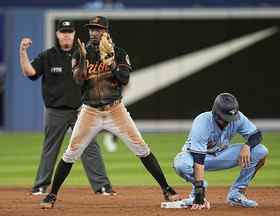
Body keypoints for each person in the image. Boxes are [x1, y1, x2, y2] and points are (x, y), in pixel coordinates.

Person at [40, 16, 179, 209]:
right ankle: (52, 194)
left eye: (98, 29)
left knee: (141, 148)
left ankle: (166, 188)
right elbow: (79, 81)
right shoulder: (81, 52)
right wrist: (81, 62)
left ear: (106, 31)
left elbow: (124, 79)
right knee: (71, 153)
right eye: (91, 29)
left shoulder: (119, 52)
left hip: (115, 110)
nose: (93, 32)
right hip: (90, 111)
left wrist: (111, 62)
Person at [19, 20, 115, 196]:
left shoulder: (82, 54)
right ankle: (40, 186)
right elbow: (30, 73)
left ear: (73, 35)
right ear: (57, 35)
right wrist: (23, 51)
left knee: (90, 147)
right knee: (50, 148)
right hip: (55, 111)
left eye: (69, 32)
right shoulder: (48, 56)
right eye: (63, 32)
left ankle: (102, 187)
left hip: (81, 110)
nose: (66, 35)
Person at [171, 93, 268, 209]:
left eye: (231, 117)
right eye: (225, 118)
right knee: (181, 164)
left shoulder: (238, 117)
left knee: (260, 151)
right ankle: (199, 190)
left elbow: (257, 135)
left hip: (222, 155)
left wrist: (247, 145)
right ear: (215, 113)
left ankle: (236, 193)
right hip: (194, 158)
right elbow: (199, 160)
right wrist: (199, 191)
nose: (229, 121)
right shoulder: (202, 121)